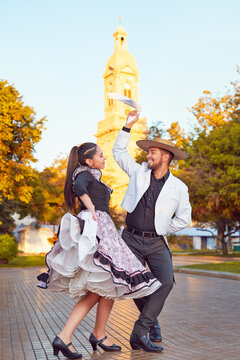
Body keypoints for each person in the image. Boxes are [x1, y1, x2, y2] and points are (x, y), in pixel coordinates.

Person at [37, 142, 161, 359]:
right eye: (101, 155)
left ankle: (99, 334)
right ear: (89, 160)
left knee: (112, 285)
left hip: (104, 228)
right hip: (97, 230)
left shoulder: (92, 174)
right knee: (97, 291)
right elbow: (80, 188)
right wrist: (92, 208)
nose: (105, 159)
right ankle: (65, 337)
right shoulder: (83, 173)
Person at [112, 110, 192, 353]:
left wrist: (162, 228)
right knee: (135, 284)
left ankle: (141, 328)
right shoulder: (138, 173)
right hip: (131, 239)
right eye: (148, 152)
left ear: (166, 157)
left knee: (166, 282)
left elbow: (185, 219)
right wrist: (127, 126)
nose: (148, 155)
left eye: (153, 152)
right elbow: (118, 153)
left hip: (157, 242)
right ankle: (150, 326)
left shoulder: (179, 187)